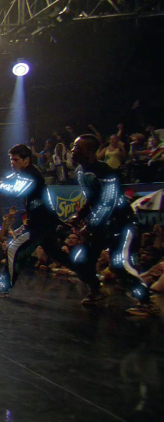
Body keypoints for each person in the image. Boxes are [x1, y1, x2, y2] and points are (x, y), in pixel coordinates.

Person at [67, 134, 158, 317]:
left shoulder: (106, 172)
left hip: (121, 224)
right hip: (102, 226)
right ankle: (97, 291)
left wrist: (89, 227)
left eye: (77, 148)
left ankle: (146, 303)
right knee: (81, 261)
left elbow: (108, 202)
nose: (73, 151)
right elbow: (92, 198)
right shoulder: (80, 172)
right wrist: (79, 216)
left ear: (89, 151)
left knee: (120, 265)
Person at [0, 144, 79, 300]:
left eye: (16, 160)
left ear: (26, 160)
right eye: (11, 160)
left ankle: (2, 288)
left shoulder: (30, 175)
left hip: (39, 224)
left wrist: (0, 184)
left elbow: (15, 191)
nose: (13, 163)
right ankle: (90, 276)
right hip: (43, 223)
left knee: (13, 248)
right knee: (56, 254)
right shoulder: (26, 173)